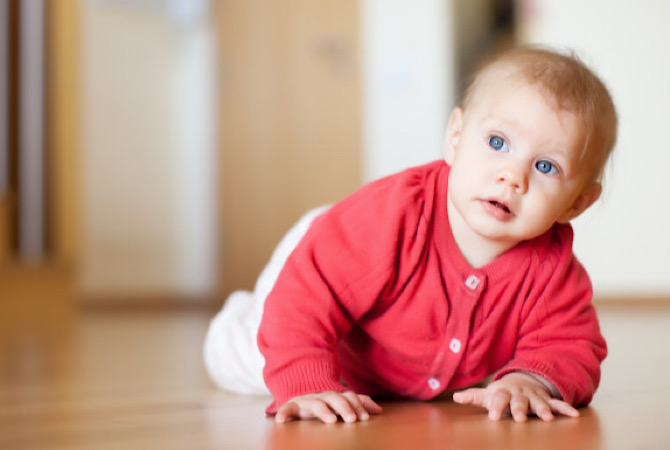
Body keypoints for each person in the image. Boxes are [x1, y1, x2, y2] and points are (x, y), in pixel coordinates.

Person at [204, 46, 617, 424]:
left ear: (576, 204)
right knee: (259, 362)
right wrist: (306, 384)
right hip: (323, 261)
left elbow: (569, 344)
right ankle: (239, 321)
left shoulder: (552, 270)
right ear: (455, 138)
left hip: (390, 349)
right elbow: (303, 299)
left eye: (546, 167)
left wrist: (532, 380)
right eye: (497, 142)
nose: (512, 177)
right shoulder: (393, 219)